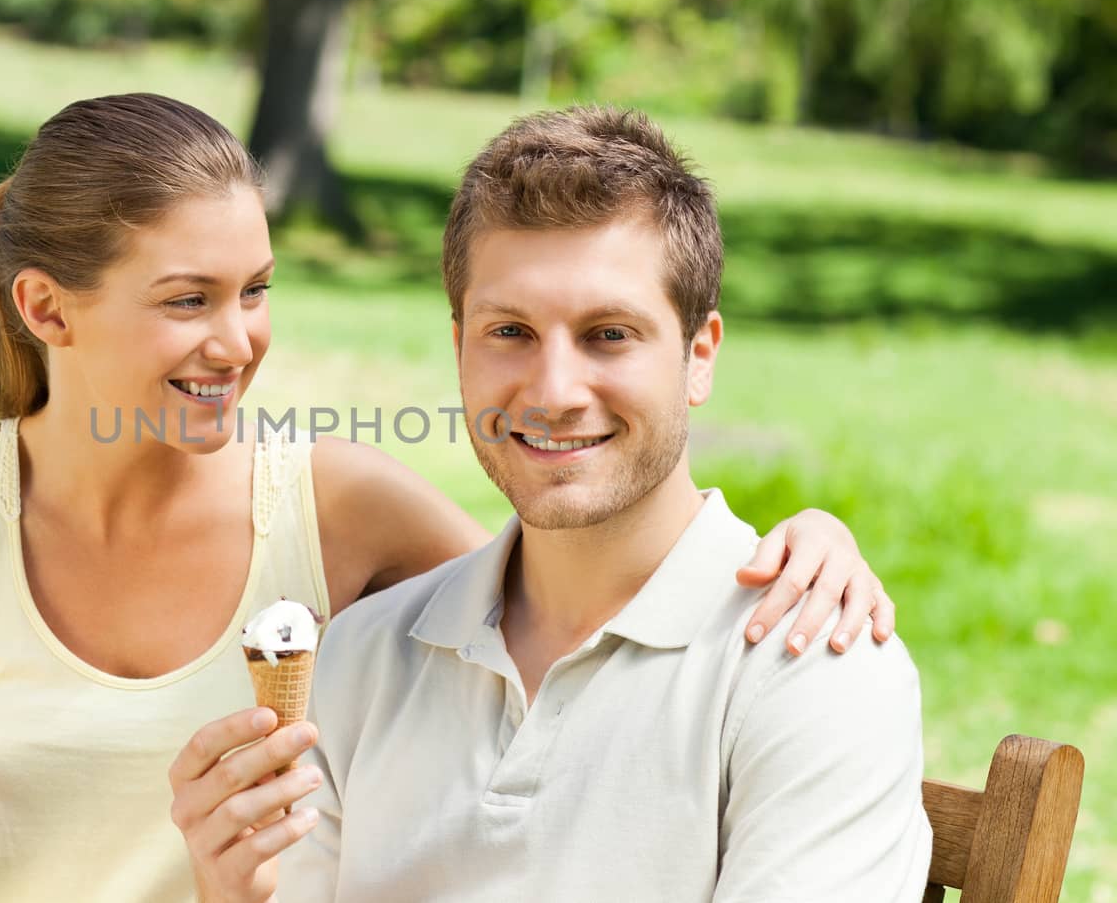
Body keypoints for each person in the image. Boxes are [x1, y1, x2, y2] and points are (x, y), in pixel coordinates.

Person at [0, 94, 897, 903]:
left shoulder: (339, 518)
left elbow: (570, 566)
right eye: (186, 299)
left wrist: (797, 546)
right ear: (45, 310)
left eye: (254, 292)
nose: (237, 340)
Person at [170, 105, 932, 903]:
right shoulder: (360, 660)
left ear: (698, 356)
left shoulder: (810, 673)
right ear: (459, 343)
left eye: (609, 334)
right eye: (511, 333)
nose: (555, 393)